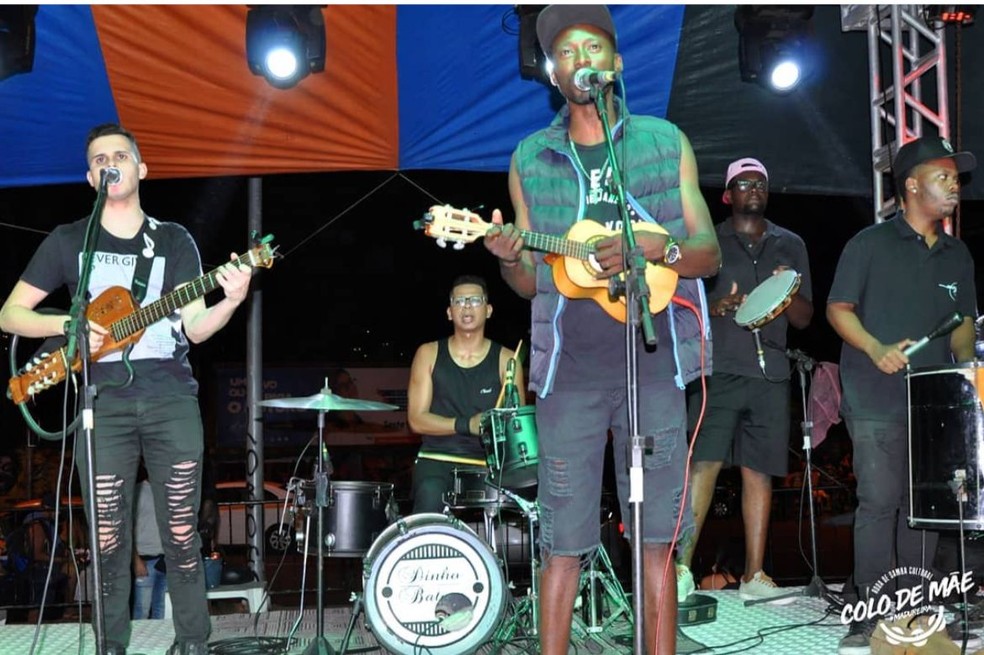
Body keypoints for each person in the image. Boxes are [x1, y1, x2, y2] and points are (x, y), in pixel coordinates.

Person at [482, 6, 720, 654]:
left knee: (657, 543)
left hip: (654, 366)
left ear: (614, 63)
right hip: (572, 378)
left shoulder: (664, 142)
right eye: (565, 50)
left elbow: (707, 252)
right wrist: (509, 257)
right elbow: (532, 281)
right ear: (554, 75)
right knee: (563, 544)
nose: (580, 56)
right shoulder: (531, 159)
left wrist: (656, 247)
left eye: (594, 45)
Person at [0, 123, 254, 655]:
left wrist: (229, 301)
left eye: (120, 155)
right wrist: (65, 327)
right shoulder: (70, 240)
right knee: (109, 542)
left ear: (141, 168)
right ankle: (111, 646)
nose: (109, 163)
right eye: (99, 158)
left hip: (170, 398)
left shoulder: (173, 240)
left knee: (182, 534)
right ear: (92, 177)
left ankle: (193, 644)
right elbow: (10, 315)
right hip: (102, 403)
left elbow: (193, 326)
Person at [827, 136, 977, 654]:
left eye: (956, 177)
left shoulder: (958, 255)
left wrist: (970, 364)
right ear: (912, 185)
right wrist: (875, 346)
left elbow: (960, 326)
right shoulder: (867, 245)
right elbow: (838, 309)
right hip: (875, 395)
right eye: (943, 176)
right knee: (880, 501)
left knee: (926, 508)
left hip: (934, 401)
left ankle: (912, 606)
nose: (954, 184)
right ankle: (870, 611)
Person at [676, 158, 813, 604]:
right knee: (704, 465)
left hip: (771, 373)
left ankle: (754, 576)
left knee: (760, 472)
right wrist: (713, 309)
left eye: (760, 183)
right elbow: (677, 305)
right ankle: (680, 571)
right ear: (728, 194)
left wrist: (786, 292)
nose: (753, 189)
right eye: (743, 183)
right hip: (718, 368)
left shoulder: (790, 244)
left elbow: (806, 318)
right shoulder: (706, 243)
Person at [407, 274, 524, 514]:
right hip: (437, 458)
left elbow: (516, 426)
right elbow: (416, 419)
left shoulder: (507, 360)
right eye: (459, 301)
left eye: (474, 300)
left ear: (488, 309)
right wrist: (465, 424)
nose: (467, 306)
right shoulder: (428, 354)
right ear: (449, 312)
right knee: (429, 493)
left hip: (488, 463)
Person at [132, 475, 167, 620]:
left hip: (166, 558)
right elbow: (128, 527)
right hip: (145, 558)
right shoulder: (138, 491)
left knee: (163, 610)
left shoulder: (168, 489)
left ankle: (160, 642)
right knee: (142, 610)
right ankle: (139, 642)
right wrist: (136, 559)